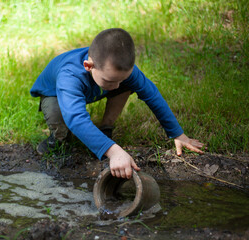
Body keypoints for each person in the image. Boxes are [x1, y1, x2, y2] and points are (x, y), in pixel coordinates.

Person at [30, 28, 204, 179]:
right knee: (60, 116)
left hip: (92, 87)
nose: (116, 86)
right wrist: (114, 151)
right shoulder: (70, 75)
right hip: (55, 95)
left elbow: (152, 95)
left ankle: (105, 129)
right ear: (88, 66)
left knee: (124, 85)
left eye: (123, 79)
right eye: (110, 80)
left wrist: (177, 134)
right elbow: (76, 118)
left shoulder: (118, 73)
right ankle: (57, 140)